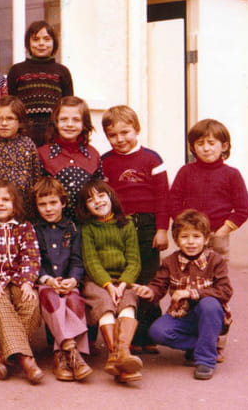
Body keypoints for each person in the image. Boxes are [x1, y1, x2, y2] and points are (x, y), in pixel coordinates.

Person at [133, 210, 233, 380]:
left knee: (208, 304)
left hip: (211, 317)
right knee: (157, 332)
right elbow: (159, 285)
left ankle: (206, 361)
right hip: (182, 315)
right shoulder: (170, 261)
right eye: (185, 237)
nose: (191, 242)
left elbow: (225, 291)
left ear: (206, 239)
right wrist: (149, 291)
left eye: (196, 236)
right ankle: (204, 345)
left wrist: (191, 293)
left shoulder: (215, 260)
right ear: (177, 240)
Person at [101, 105, 169, 353]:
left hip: (147, 225)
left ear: (137, 129)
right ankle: (129, 335)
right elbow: (105, 198)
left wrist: (162, 229)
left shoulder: (152, 159)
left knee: (148, 278)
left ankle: (148, 334)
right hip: (120, 226)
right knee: (127, 277)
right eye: (113, 135)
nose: (120, 139)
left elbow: (163, 197)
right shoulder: (105, 161)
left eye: (125, 132)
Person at [77, 180, 142, 383]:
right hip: (97, 281)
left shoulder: (127, 224)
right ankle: (120, 357)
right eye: (90, 200)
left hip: (122, 280)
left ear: (111, 196)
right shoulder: (88, 228)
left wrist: (122, 285)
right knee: (105, 305)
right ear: (85, 207)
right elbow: (91, 262)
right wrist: (107, 285)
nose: (97, 201)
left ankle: (119, 356)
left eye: (101, 195)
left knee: (127, 304)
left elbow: (134, 261)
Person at [0, 181, 44, 385]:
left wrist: (27, 282)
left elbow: (31, 257)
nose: (0, 203)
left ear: (14, 204)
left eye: (6, 200)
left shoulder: (24, 227)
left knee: (30, 304)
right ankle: (26, 361)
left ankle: (0, 355)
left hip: (18, 279)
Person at [32, 177, 92, 382]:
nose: (48, 209)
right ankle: (70, 351)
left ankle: (64, 356)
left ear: (63, 203)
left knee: (74, 300)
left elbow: (77, 260)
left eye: (53, 203)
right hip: (45, 283)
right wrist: (47, 279)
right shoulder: (34, 229)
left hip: (67, 282)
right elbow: (34, 260)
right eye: (42, 204)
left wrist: (73, 280)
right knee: (51, 298)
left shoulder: (72, 228)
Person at [169, 118, 248, 259]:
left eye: (211, 143)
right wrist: (184, 226)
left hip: (217, 235)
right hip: (191, 236)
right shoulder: (185, 172)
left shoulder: (232, 174)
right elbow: (173, 201)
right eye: (200, 143)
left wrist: (224, 230)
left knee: (217, 269)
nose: (206, 148)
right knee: (188, 268)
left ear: (224, 146)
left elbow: (243, 208)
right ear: (193, 147)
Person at [6, 20, 73, 146]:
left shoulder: (62, 71)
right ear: (28, 43)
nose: (41, 43)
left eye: (47, 39)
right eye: (36, 39)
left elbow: (69, 106)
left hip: (54, 133)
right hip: (24, 134)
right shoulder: (16, 70)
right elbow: (12, 106)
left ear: (54, 42)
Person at [37, 96, 102, 217]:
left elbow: (100, 190)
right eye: (63, 119)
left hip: (87, 223)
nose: (69, 124)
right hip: (53, 224)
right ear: (56, 122)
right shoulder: (42, 154)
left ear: (84, 123)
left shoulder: (93, 155)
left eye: (76, 120)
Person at [0, 95, 40, 215]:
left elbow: (36, 178)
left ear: (20, 121)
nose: (4, 123)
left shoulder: (28, 145)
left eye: (10, 118)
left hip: (24, 212)